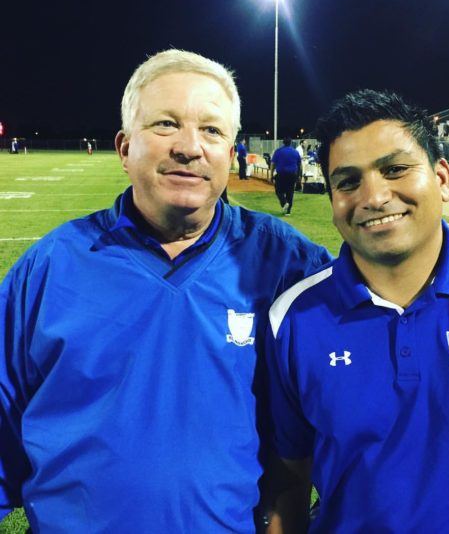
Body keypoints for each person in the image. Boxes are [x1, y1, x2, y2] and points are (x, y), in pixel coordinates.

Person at [0, 49, 332, 533]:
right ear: (123, 147)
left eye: (212, 130)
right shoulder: (49, 268)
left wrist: (438, 256)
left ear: (231, 151)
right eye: (165, 125)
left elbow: (383, 334)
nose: (190, 147)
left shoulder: (288, 264)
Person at [264, 89, 449, 533]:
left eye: (395, 169)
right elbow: (290, 482)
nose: (373, 197)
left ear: (442, 178)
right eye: (348, 181)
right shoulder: (293, 319)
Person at [270, 137, 301, 216]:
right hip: (292, 175)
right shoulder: (295, 152)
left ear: (283, 142)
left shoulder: (278, 151)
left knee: (279, 191)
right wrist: (299, 175)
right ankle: (288, 211)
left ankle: (284, 203)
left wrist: (271, 174)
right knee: (290, 192)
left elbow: (273, 164)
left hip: (281, 174)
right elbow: (299, 165)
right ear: (291, 143)